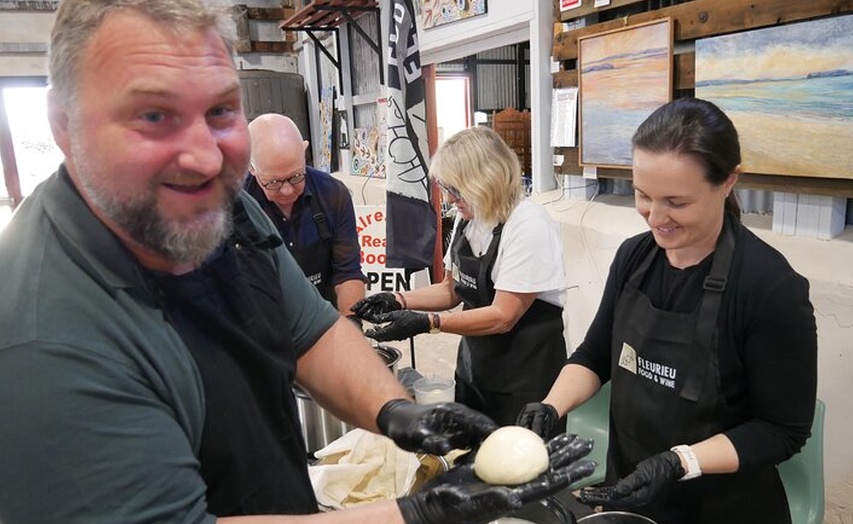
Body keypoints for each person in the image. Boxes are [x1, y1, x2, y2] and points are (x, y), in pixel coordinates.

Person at [0, 1, 597, 523]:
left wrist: (394, 409)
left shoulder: (224, 211)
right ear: (63, 125)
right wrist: (416, 513)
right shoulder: (42, 338)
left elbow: (310, 332)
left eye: (220, 111)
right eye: (153, 116)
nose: (205, 158)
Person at [516, 98, 818, 524]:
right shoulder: (634, 258)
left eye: (676, 202)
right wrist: (550, 406)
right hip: (633, 492)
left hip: (723, 507)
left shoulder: (770, 288)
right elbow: (596, 355)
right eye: (643, 195)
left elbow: (782, 430)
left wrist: (680, 462)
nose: (656, 218)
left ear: (729, 181)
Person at [353, 126, 569, 432]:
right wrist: (397, 299)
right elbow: (451, 290)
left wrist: (429, 322)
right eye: (445, 187)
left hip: (526, 382)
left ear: (485, 180)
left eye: (455, 189)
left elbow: (503, 316)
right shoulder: (468, 220)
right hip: (475, 371)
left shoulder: (528, 225)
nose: (450, 199)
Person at [246, 113, 365, 316]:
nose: (287, 191)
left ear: (304, 152)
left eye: (296, 177)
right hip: (259, 317)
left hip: (323, 312)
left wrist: (352, 324)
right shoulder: (231, 205)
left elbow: (347, 273)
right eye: (273, 182)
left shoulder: (333, 194)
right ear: (251, 167)